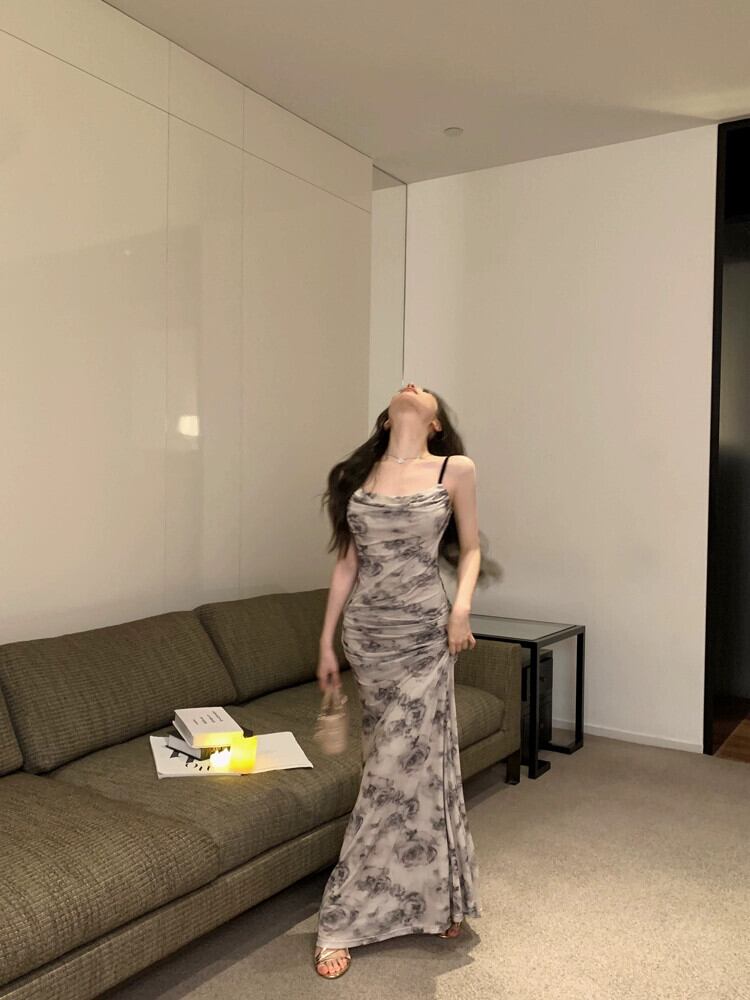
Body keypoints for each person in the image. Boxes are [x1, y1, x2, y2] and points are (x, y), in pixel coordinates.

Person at [313, 382, 502, 979]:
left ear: (436, 422)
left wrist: (462, 609)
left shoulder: (454, 469)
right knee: (396, 765)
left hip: (424, 634)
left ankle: (347, 916)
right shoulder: (357, 475)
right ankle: (424, 902)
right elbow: (347, 564)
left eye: (423, 390)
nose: (411, 388)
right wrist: (325, 641)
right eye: (404, 387)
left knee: (407, 767)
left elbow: (469, 550)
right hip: (369, 638)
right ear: (386, 417)